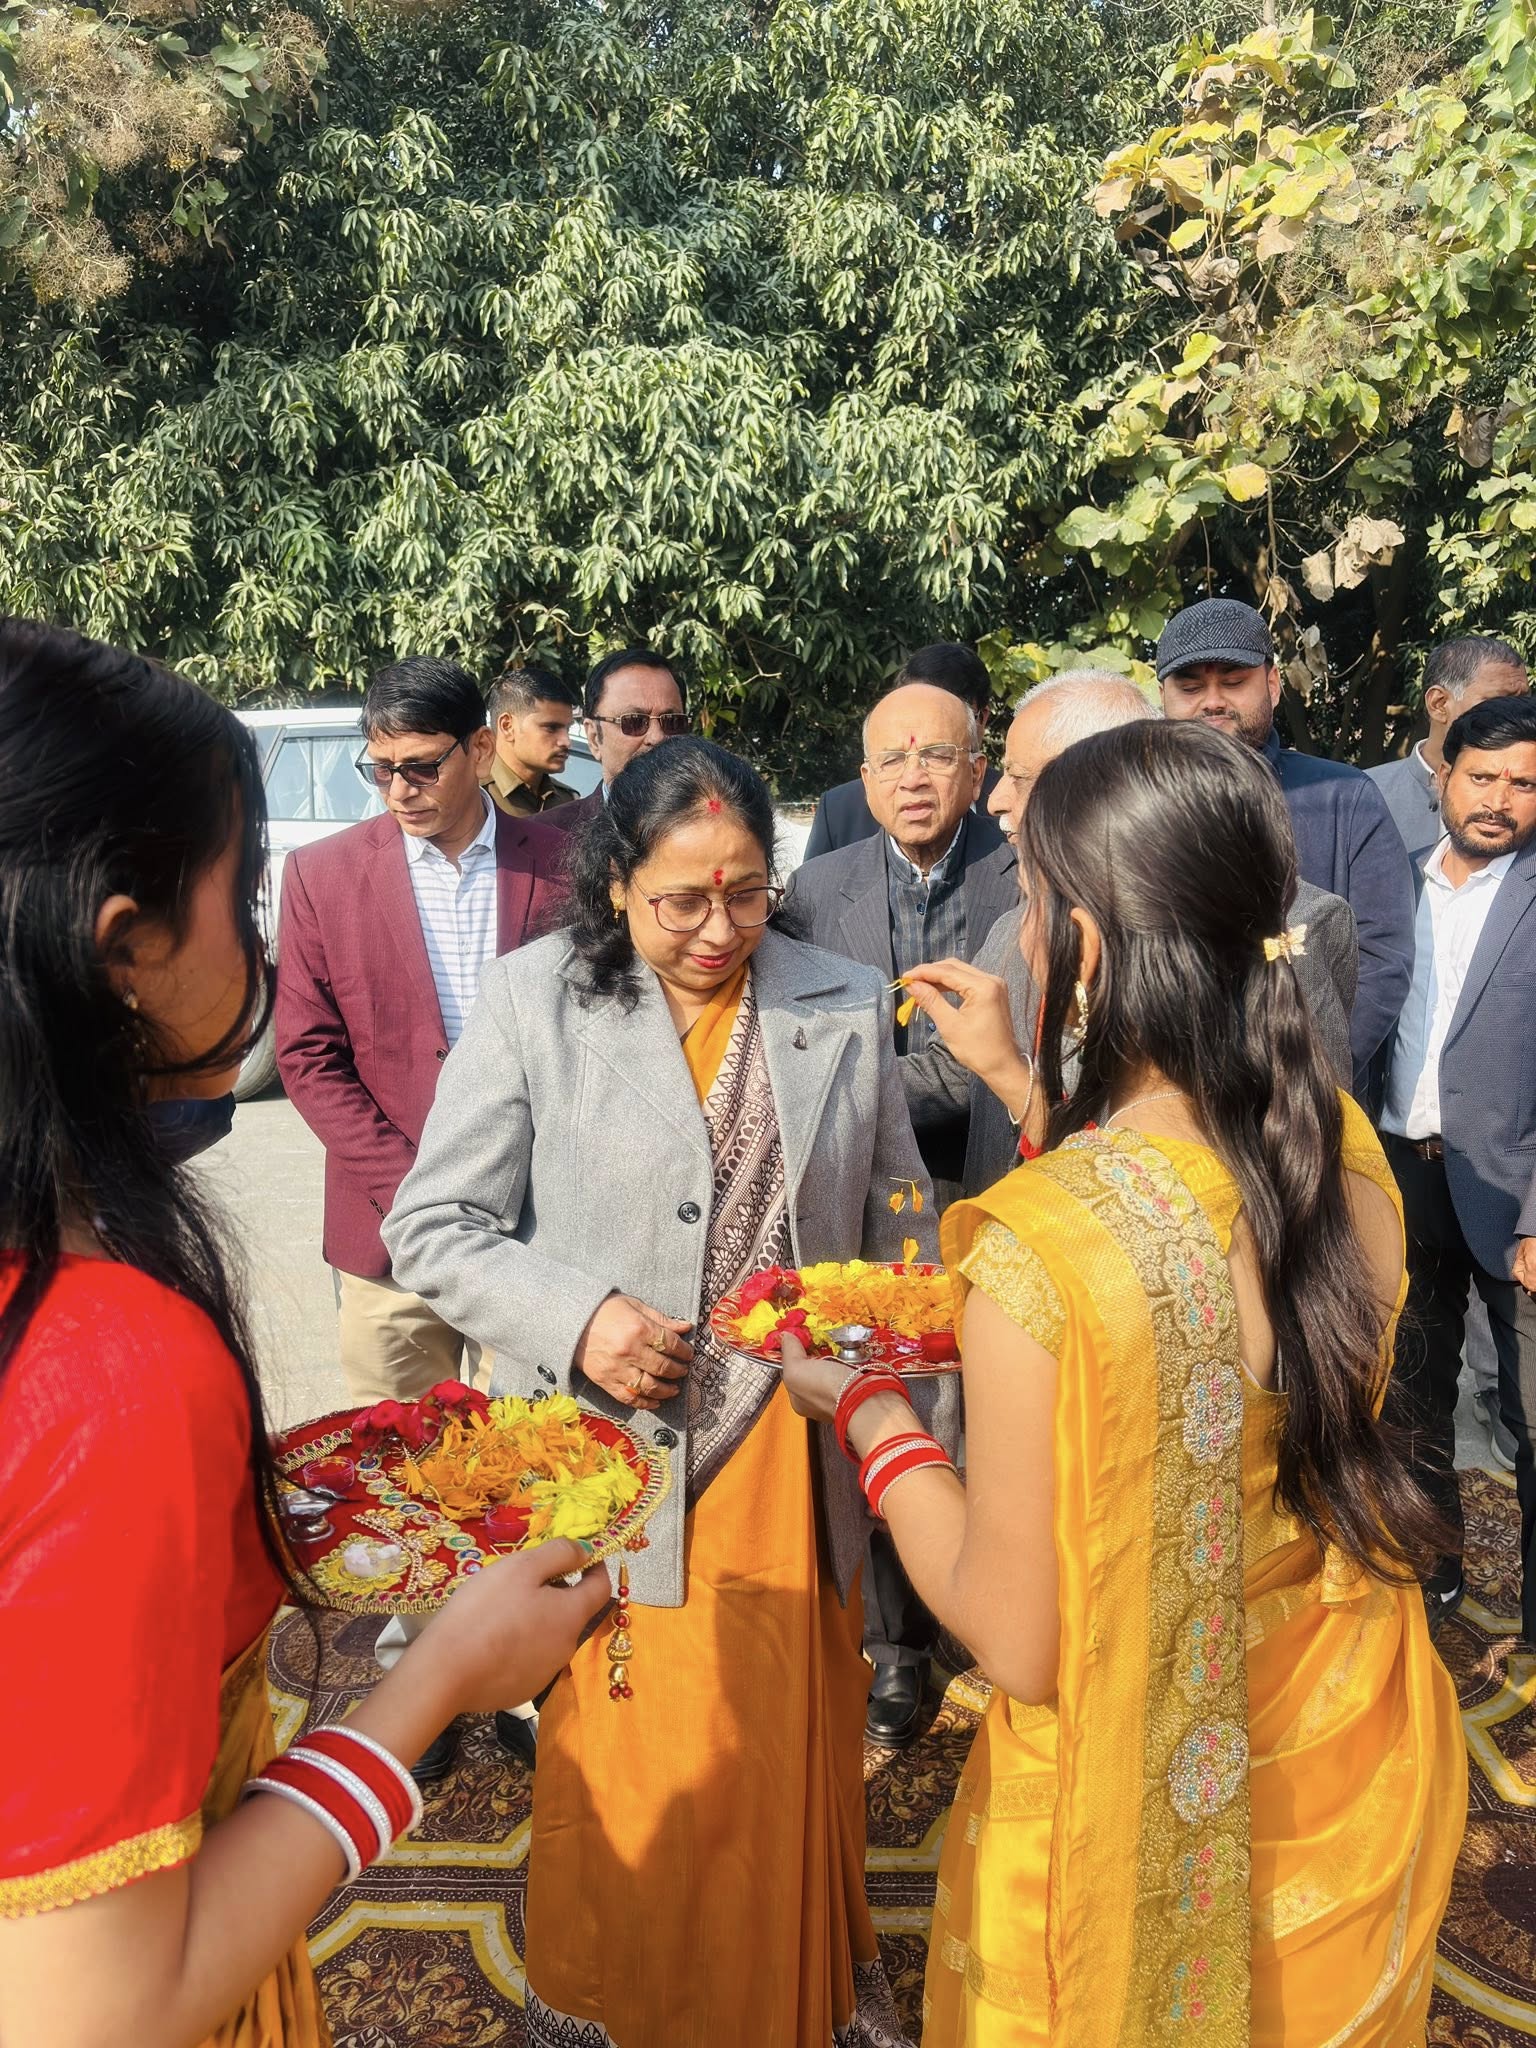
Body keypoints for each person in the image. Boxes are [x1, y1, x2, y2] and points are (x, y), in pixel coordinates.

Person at [782, 717, 1466, 2046]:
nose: (1025, 937)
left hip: (1127, 1791)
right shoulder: (1335, 1143)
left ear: (1084, 944)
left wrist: (870, 1415)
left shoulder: (1040, 1252)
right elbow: (1194, 1232)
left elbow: (1014, 1637)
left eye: (1035, 905)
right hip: (1337, 1748)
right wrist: (1017, 1081)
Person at [0, 618, 609, 2048]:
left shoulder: (560, 859)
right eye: (239, 895)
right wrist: (438, 1677)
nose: (261, 940)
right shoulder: (104, 1368)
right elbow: (98, 2008)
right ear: (126, 942)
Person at [384, 737, 949, 2047]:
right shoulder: (534, 1000)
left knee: (777, 1752)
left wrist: (895, 1377)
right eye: (680, 900)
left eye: (746, 892)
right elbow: (433, 1225)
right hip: (617, 1472)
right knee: (632, 1771)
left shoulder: (841, 999)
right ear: (615, 885)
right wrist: (579, 1316)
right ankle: (616, 2003)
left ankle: (784, 1996)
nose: (716, 928)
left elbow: (898, 1214)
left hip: (791, 1470)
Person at [275, 656, 569, 1780]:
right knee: (401, 1463)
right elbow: (308, 1055)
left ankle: (526, 1674)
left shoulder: (561, 863)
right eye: (379, 767)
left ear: (481, 751)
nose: (397, 787)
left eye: (420, 765)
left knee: (525, 1453)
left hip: (534, 1226)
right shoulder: (321, 876)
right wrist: (418, 1196)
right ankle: (424, 1678)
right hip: (386, 1231)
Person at [785, 680, 1016, 1743]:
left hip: (995, 1186)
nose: (913, 777)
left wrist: (879, 1085)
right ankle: (897, 1647)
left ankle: (1004, 1610)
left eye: (936, 755)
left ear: (977, 768)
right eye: (892, 758)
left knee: (1000, 1414)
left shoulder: (1025, 875)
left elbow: (991, 1063)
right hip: (870, 1200)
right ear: (864, 778)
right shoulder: (817, 886)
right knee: (884, 1398)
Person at [904, 674, 1362, 1194]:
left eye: (1020, 777)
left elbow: (1277, 1173)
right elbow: (960, 1065)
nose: (995, 799)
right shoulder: (1022, 920)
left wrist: (1016, 1082)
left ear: (1106, 784)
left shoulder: (1278, 927)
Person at [1379, 694, 1536, 1639]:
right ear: (1444, 773)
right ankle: (1434, 1583)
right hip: (1402, 1177)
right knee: (1410, 1395)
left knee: (1531, 1421)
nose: (1499, 800)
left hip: (1516, 1196)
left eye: (1524, 784)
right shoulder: (1390, 883)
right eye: (1483, 777)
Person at [1158, 597, 1415, 1094]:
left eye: (1234, 682)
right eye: (1190, 687)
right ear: (1163, 695)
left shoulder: (1343, 797)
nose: (1212, 701)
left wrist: (1308, 1082)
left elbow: (1384, 960)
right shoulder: (1131, 803)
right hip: (1169, 1100)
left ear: (1273, 684)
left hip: (1311, 1099)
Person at [804, 642, 1005, 858]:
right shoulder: (839, 810)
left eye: (937, 753)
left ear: (981, 718)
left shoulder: (1017, 803)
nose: (913, 780)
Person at [1369, 634, 1529, 860]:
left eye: (1524, 701)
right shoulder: (1365, 794)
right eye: (1499, 702)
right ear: (1439, 704)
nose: (1518, 715)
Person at [549, 644, 689, 834]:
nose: (657, 737)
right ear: (594, 738)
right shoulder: (547, 836)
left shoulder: (718, 832)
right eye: (634, 721)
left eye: (672, 722)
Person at [484, 663, 582, 817]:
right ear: (507, 726)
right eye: (551, 728)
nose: (566, 742)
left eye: (567, 729)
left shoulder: (568, 802)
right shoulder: (471, 795)